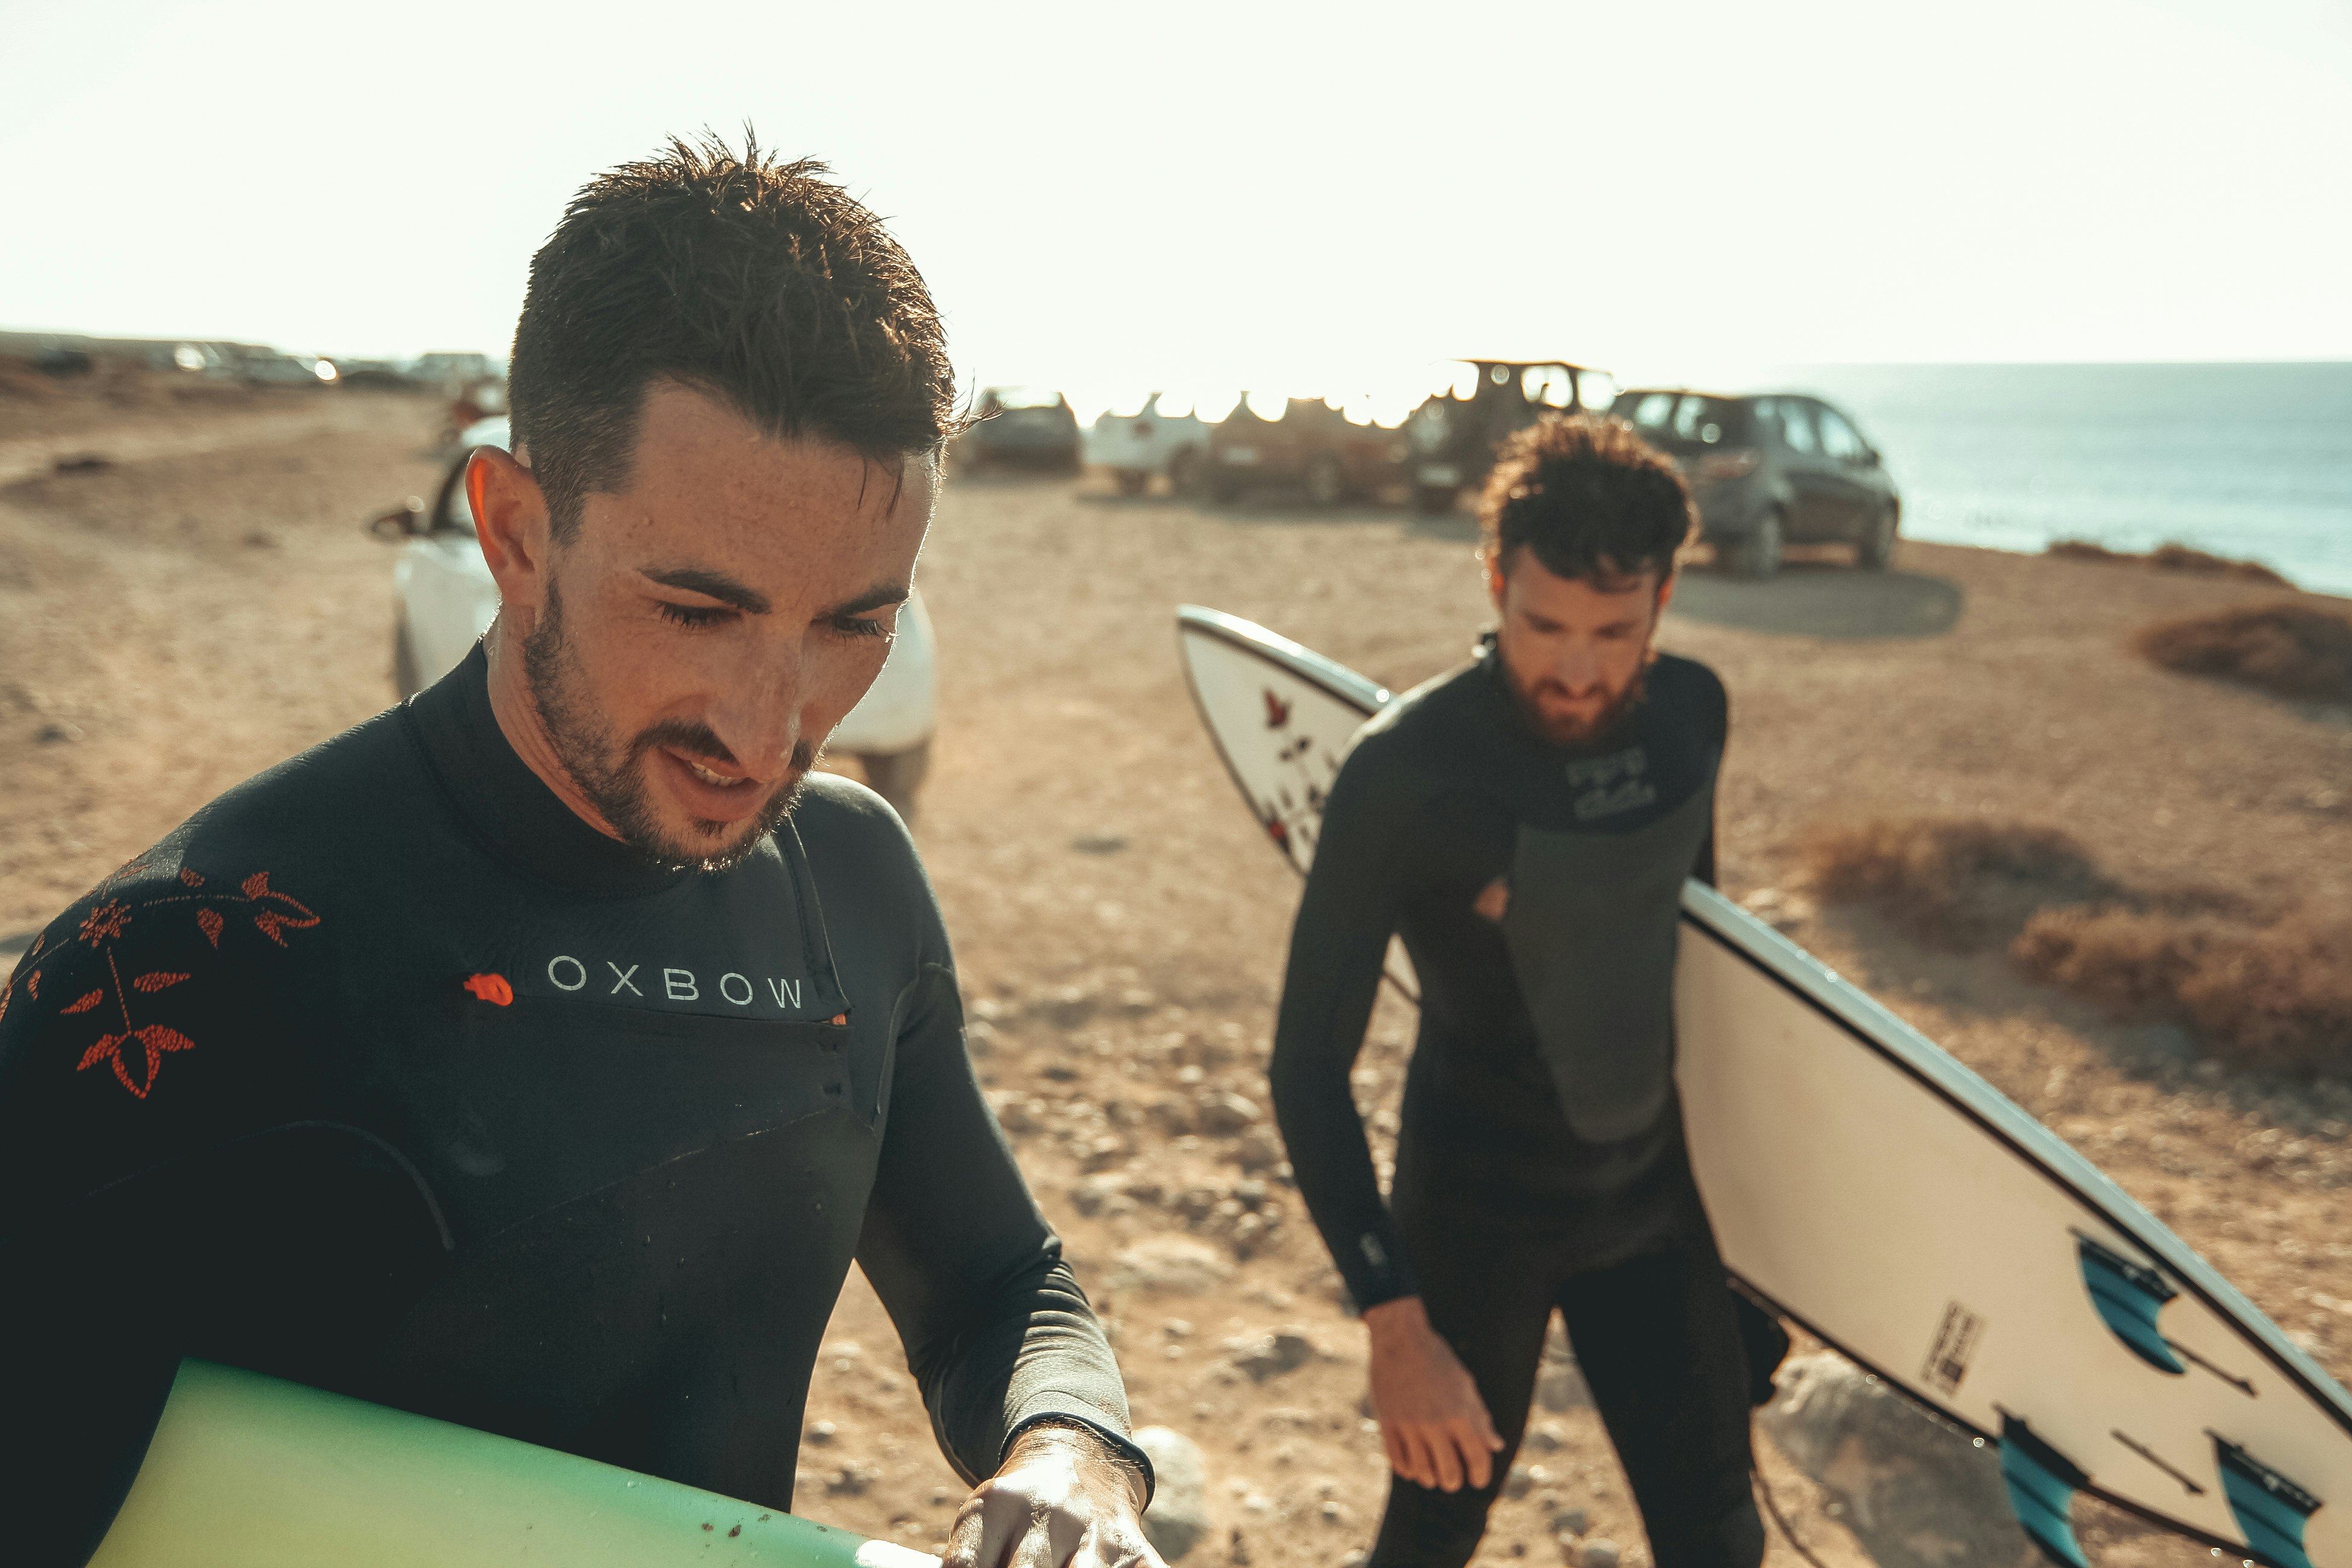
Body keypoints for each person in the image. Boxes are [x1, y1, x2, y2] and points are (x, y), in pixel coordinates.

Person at [0, 137, 1158, 1568]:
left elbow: (998, 1281)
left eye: (854, 624)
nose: (770, 729)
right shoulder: (173, 970)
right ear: (513, 530)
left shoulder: (849, 882)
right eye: (696, 610)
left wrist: (1075, 1447)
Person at [1268, 415, 1788, 1568]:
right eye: (1543, 623)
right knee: (1435, 1532)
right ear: (1497, 580)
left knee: (1720, 1538)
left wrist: (1751, 1251)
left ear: (1662, 598)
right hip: (1474, 1217)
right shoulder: (1408, 773)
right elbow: (1306, 1070)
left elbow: (1690, 984)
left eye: (1616, 630)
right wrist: (1393, 1326)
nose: (1576, 666)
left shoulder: (1691, 719)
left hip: (1652, 1204)